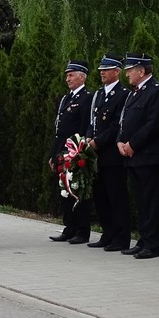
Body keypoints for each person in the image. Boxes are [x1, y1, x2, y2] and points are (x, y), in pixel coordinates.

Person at [116, 53, 159, 260]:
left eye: (130, 70)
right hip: (134, 157)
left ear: (141, 71)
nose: (127, 74)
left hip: (149, 156)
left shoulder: (157, 92)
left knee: (150, 201)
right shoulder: (134, 93)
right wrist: (120, 142)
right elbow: (124, 121)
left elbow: (153, 125)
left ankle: (151, 244)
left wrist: (132, 145)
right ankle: (143, 240)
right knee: (140, 201)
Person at [86, 55, 130, 251]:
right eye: (101, 69)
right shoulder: (99, 94)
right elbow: (92, 121)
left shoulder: (122, 94)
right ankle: (107, 233)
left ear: (117, 72)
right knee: (101, 196)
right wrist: (88, 137)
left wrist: (98, 141)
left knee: (116, 197)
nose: (102, 72)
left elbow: (117, 125)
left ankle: (121, 237)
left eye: (106, 69)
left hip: (112, 154)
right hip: (96, 155)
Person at [48, 61, 94, 244]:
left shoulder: (86, 98)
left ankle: (82, 230)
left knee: (78, 191)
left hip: (75, 153)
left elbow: (84, 127)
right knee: (65, 191)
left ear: (82, 77)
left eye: (71, 75)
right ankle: (70, 228)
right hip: (62, 152)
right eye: (67, 75)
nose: (67, 79)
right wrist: (53, 155)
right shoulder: (66, 98)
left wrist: (80, 152)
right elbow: (59, 130)